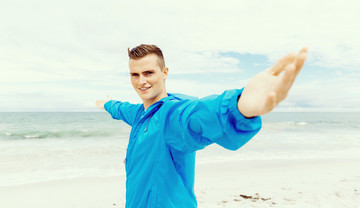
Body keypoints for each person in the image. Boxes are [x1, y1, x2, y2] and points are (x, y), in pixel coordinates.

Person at [96, 44, 308, 207]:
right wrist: (106, 104)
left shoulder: (171, 116)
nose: (141, 81)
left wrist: (238, 107)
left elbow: (196, 117)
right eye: (135, 74)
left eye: (148, 73)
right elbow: (121, 108)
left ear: (165, 72)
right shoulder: (140, 114)